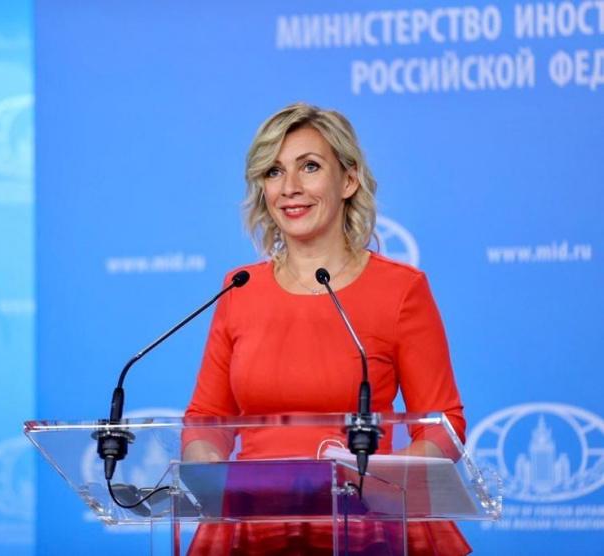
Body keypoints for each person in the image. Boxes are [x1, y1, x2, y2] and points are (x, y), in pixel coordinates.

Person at [183, 103, 470, 555]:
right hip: (257, 526)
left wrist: (382, 482)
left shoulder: (400, 289)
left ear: (349, 180)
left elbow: (442, 425)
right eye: (274, 172)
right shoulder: (240, 288)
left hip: (366, 524)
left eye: (310, 167)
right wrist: (210, 473)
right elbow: (206, 419)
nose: (290, 188)